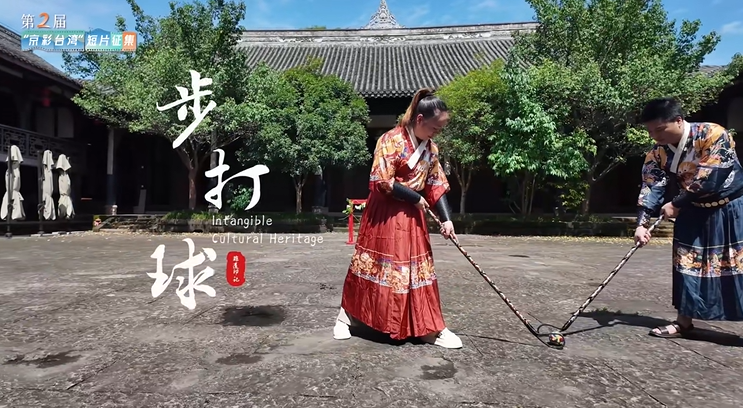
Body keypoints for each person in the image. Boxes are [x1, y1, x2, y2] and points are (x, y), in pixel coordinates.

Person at [332, 88, 462, 349]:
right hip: (386, 215)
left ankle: (428, 328)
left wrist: (447, 219)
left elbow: (436, 184)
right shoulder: (390, 140)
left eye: (441, 128)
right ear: (419, 119)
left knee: (417, 271)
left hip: (413, 219)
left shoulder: (431, 149)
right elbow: (382, 180)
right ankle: (346, 318)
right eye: (435, 127)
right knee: (374, 268)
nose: (437, 132)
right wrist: (414, 198)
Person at [634, 97, 743, 338]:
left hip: (730, 209)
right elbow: (651, 185)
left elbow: (711, 176)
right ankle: (683, 322)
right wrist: (642, 224)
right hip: (692, 211)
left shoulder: (713, 134)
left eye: (660, 129)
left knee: (738, 264)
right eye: (650, 132)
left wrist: (676, 203)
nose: (655, 136)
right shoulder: (658, 151)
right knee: (685, 263)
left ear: (678, 120)